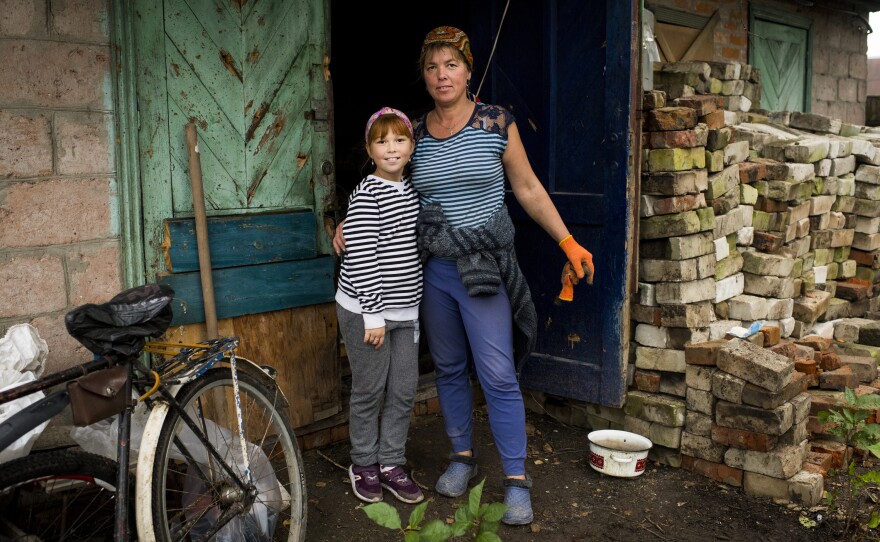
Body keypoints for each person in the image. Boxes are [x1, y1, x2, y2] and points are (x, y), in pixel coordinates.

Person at [334, 27, 594, 525]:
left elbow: (527, 188)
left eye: (451, 64)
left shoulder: (496, 121)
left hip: (484, 271)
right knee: (449, 368)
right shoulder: (412, 131)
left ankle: (516, 478)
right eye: (431, 67)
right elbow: (381, 181)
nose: (441, 75)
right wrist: (347, 221)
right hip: (431, 272)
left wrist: (566, 240)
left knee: (496, 372)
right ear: (424, 76)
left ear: (469, 69)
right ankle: (461, 458)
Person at [336, 107, 424, 505]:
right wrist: (373, 314)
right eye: (382, 141)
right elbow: (360, 258)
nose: (391, 148)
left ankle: (390, 462)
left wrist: (413, 310)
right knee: (370, 388)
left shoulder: (411, 190)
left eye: (400, 140)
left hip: (406, 312)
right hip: (366, 311)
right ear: (370, 150)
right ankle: (363, 462)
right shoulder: (367, 192)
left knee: (404, 388)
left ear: (411, 147)